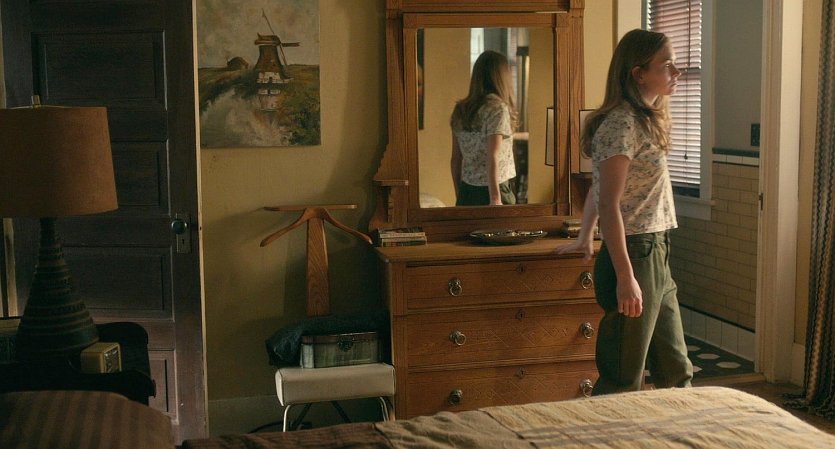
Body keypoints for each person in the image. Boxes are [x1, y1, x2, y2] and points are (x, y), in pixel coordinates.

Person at [555, 29, 693, 395]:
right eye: (667, 65)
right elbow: (609, 202)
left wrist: (585, 235)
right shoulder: (622, 123)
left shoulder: (646, 119)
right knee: (623, 376)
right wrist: (625, 276)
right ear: (638, 73)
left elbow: (599, 189)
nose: (676, 72)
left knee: (675, 369)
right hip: (635, 252)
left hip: (656, 250)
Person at [450, 50, 518, 206]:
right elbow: (492, 156)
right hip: (495, 189)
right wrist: (495, 199)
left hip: (467, 190)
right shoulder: (497, 108)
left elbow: (455, 159)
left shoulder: (461, 109)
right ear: (502, 77)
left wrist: (459, 194)